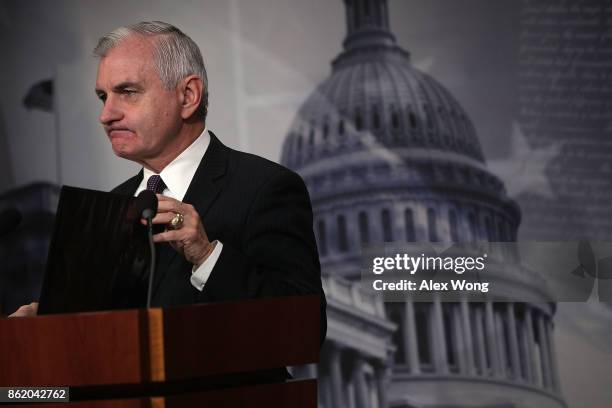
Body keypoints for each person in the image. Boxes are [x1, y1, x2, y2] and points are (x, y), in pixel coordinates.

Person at [10, 21, 326, 344]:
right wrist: (51, 326)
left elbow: (305, 331)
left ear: (188, 96)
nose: (106, 114)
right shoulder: (110, 206)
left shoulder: (265, 188)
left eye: (127, 92)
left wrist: (207, 256)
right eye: (103, 96)